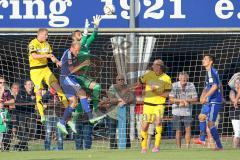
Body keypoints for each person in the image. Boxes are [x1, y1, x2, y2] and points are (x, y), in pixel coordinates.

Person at [28, 28, 68, 123]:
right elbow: (34, 56)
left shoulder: (47, 44)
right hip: (35, 71)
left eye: (47, 35)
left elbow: (51, 56)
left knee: (57, 87)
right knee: (38, 92)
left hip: (45, 69)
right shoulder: (33, 43)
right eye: (46, 35)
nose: (47, 36)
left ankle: (68, 109)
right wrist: (47, 56)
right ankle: (42, 116)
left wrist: (57, 61)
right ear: (40, 34)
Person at [71, 15, 103, 122]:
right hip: (77, 76)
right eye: (78, 34)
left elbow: (93, 36)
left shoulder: (85, 46)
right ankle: (76, 117)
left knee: (96, 88)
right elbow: (84, 40)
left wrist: (96, 27)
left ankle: (93, 111)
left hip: (85, 76)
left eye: (81, 34)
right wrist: (85, 31)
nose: (81, 35)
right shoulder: (75, 46)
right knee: (83, 98)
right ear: (74, 38)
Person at [57, 41, 90, 135]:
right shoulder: (68, 54)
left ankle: (63, 122)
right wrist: (83, 64)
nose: (77, 52)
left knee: (74, 101)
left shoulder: (73, 55)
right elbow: (71, 70)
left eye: (79, 51)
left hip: (70, 78)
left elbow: (74, 71)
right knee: (82, 93)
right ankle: (90, 116)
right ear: (72, 47)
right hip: (66, 79)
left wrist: (83, 70)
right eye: (77, 50)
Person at [139, 59, 172, 153]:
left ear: (160, 66)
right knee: (144, 126)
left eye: (155, 65)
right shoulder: (149, 74)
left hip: (159, 105)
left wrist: (156, 91)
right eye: (153, 65)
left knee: (158, 123)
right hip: (148, 105)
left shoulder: (166, 78)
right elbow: (140, 81)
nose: (153, 66)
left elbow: (166, 95)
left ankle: (156, 146)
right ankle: (144, 147)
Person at [193, 54, 223, 150]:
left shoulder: (212, 71)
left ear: (211, 62)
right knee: (201, 116)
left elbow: (215, 86)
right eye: (203, 59)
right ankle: (202, 139)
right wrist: (203, 95)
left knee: (210, 124)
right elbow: (207, 87)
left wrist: (205, 96)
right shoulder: (208, 72)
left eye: (205, 59)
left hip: (215, 100)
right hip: (209, 100)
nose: (203, 60)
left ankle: (219, 146)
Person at [169, 71, 198, 148]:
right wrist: (181, 101)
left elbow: (195, 99)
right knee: (178, 130)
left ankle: (187, 147)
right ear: (179, 78)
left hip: (187, 111)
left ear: (187, 79)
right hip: (176, 111)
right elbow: (171, 99)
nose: (183, 80)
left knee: (188, 129)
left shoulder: (191, 85)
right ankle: (179, 148)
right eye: (182, 78)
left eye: (185, 79)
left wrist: (186, 101)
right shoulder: (174, 85)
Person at [107, 74, 134, 149]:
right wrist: (119, 100)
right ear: (116, 81)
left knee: (125, 131)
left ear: (124, 80)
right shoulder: (112, 87)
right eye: (119, 80)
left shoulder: (128, 87)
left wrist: (125, 101)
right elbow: (111, 99)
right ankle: (113, 148)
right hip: (113, 113)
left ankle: (127, 147)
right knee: (112, 133)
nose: (121, 81)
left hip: (124, 113)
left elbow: (132, 98)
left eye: (122, 79)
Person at [14, 80, 36, 151]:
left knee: (31, 131)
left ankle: (19, 145)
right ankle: (24, 147)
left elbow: (35, 102)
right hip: (21, 114)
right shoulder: (21, 92)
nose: (30, 85)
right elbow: (18, 101)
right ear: (25, 86)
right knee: (23, 131)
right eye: (29, 84)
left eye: (31, 84)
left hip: (31, 114)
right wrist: (30, 99)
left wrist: (31, 100)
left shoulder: (34, 93)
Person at [135, 84, 155, 149]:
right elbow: (137, 101)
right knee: (141, 131)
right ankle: (143, 147)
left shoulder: (152, 86)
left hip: (150, 111)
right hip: (140, 112)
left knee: (150, 131)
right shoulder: (138, 88)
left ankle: (148, 147)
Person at [0, 76, 14, 151]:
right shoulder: (2, 91)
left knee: (7, 133)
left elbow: (12, 101)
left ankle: (6, 149)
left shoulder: (7, 91)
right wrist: (1, 92)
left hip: (6, 112)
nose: (2, 84)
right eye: (0, 82)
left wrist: (3, 102)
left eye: (3, 82)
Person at [229, 78, 240, 148]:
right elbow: (233, 100)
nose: (238, 84)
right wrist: (237, 100)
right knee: (237, 132)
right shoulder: (232, 91)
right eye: (237, 83)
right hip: (235, 112)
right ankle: (235, 148)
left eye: (239, 83)